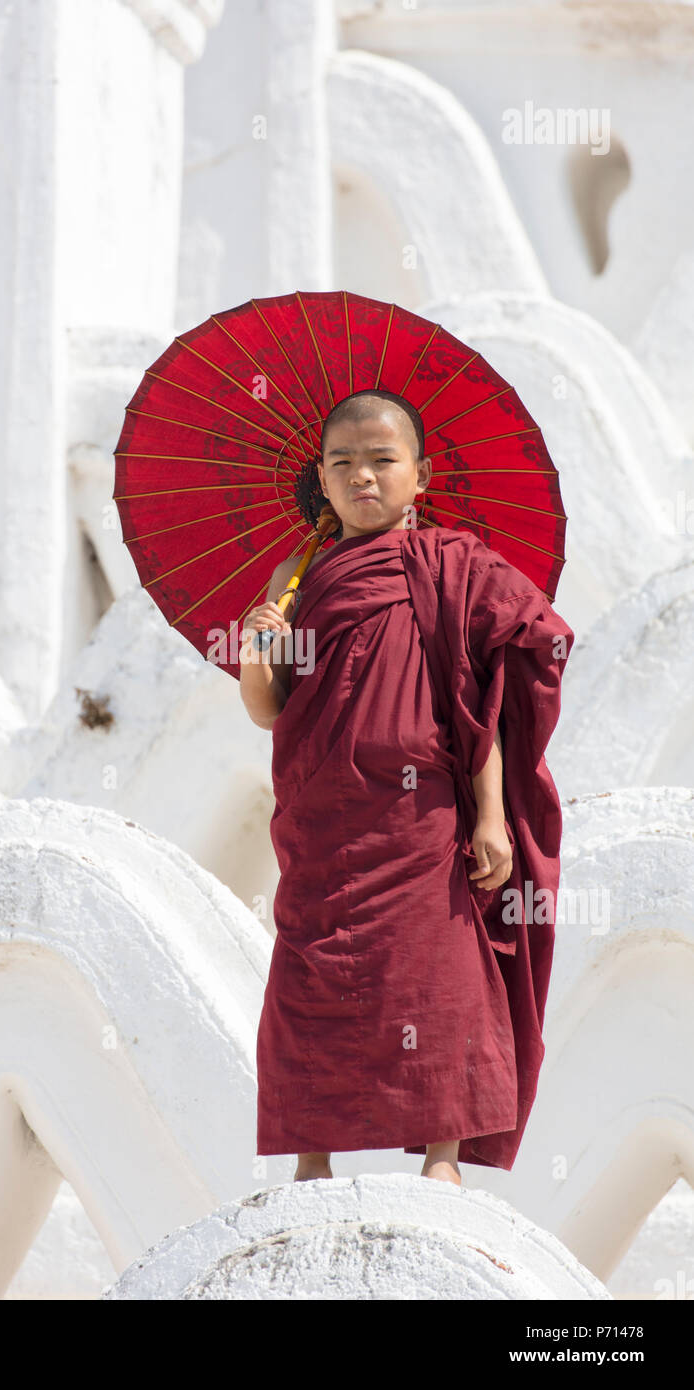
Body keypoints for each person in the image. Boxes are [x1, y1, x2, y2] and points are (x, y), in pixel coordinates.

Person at [239, 389, 574, 1185]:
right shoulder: (296, 574)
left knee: (439, 972)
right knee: (307, 978)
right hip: (321, 816)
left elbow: (483, 701)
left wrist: (491, 818)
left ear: (419, 476)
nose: (363, 477)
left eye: (383, 461)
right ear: (319, 478)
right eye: (343, 463)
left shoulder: (449, 565)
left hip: (421, 812)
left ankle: (442, 1155)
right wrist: (260, 651)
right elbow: (268, 709)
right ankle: (310, 1159)